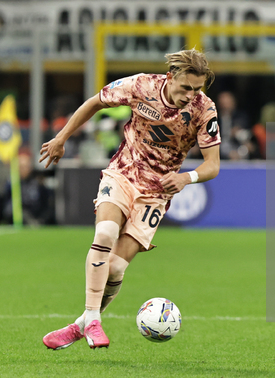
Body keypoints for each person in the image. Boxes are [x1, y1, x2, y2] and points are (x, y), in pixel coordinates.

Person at [40, 49, 221, 350]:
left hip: (156, 194)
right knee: (105, 233)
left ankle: (82, 323)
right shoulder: (140, 86)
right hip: (123, 173)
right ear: (170, 77)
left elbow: (212, 164)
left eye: (197, 89)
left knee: (115, 269)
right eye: (186, 87)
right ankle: (93, 319)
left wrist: (185, 178)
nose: (191, 95)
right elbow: (95, 102)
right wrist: (61, 138)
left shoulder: (205, 110)